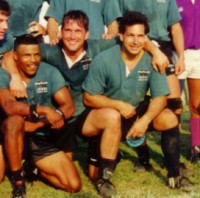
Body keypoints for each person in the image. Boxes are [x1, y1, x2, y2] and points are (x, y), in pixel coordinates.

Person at [3, 10, 169, 197]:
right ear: (60, 32)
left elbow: (133, 38)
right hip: (60, 118)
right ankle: (25, 163)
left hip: (85, 115)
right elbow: (12, 54)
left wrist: (156, 52)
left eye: (78, 31)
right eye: (68, 30)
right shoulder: (49, 50)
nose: (73, 36)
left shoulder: (96, 47)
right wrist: (15, 76)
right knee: (66, 169)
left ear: (87, 34)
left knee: (91, 174)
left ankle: (107, 163)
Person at [82, 11, 193, 190]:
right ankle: (105, 178)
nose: (135, 41)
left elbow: (160, 97)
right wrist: (118, 105)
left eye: (140, 36)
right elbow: (88, 97)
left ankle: (174, 174)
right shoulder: (104, 59)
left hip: (134, 113)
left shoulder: (152, 59)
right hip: (109, 116)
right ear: (121, 36)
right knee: (93, 174)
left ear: (146, 38)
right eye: (130, 35)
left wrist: (144, 121)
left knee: (169, 117)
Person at [0, 34, 82, 197]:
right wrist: (43, 110)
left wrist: (52, 118)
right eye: (26, 55)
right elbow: (9, 106)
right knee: (15, 121)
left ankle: (31, 168)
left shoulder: (49, 71)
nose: (33, 60)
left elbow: (68, 106)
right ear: (15, 57)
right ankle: (18, 181)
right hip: (8, 134)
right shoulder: (4, 74)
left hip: (38, 137)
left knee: (73, 185)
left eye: (36, 54)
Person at [117, 0, 185, 171]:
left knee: (174, 106)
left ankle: (172, 159)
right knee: (137, 104)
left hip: (163, 48)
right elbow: (118, 25)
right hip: (136, 46)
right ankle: (143, 158)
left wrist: (181, 57)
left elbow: (175, 27)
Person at [174, 0, 200, 163]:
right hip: (178, 55)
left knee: (196, 106)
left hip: (199, 55)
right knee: (175, 106)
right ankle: (172, 150)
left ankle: (196, 147)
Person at [45, 0, 122, 44]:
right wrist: (53, 38)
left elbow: (112, 22)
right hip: (69, 45)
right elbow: (53, 19)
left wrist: (110, 37)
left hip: (95, 46)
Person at [0, 0, 13, 184]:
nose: (5, 26)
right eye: (0, 21)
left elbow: (10, 53)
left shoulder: (7, 39)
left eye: (6, 21)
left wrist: (15, 75)